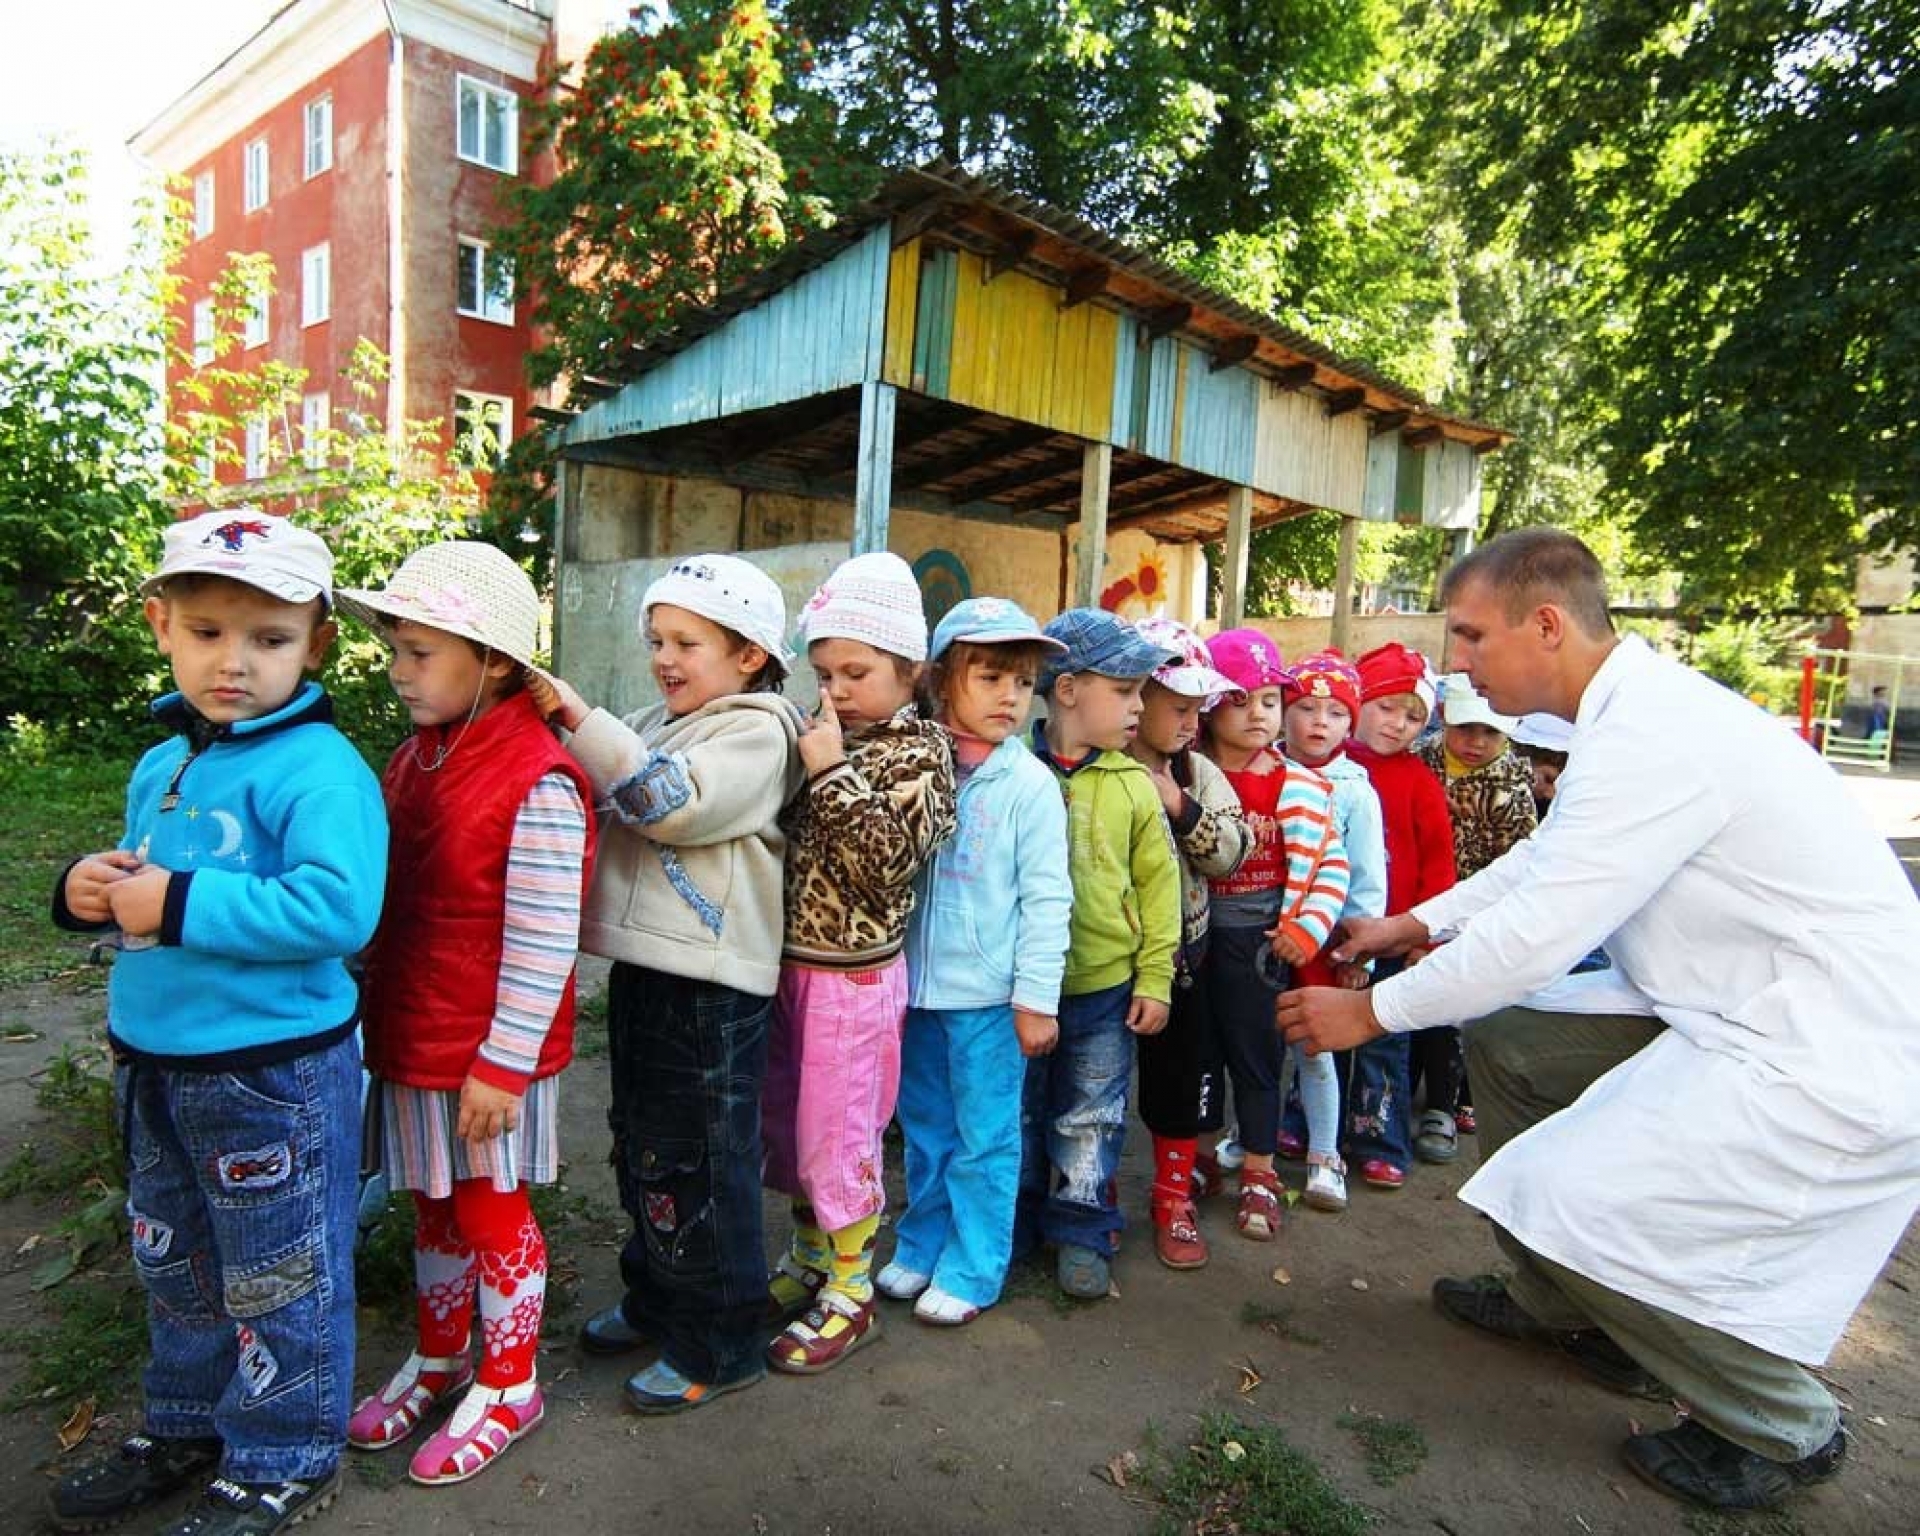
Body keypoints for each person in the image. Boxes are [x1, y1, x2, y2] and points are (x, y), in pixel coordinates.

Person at [1278, 527, 1920, 1512]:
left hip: (1832, 1050)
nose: (1456, 661)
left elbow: (1540, 933)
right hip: (1738, 1017)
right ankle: (1571, 1306)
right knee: (1514, 1042)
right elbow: (1545, 867)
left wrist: (1370, 1013)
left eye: (1469, 634)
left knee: (1573, 1196)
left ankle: (1782, 1425)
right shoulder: (1627, 721)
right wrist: (1413, 922)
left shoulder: (1654, 736)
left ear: (1545, 624)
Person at [49, 510, 387, 1536]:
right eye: (206, 632)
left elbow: (341, 908)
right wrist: (89, 888)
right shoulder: (166, 763)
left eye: (269, 638)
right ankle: (191, 1417)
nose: (233, 663)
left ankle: (285, 1452)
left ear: (317, 643)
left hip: (271, 1076)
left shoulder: (320, 769)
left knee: (281, 1270)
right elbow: (141, 873)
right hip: (156, 1065)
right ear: (161, 625)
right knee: (173, 1255)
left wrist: (182, 903)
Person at [335, 542, 595, 1484]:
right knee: (432, 1206)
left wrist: (504, 1063)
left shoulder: (538, 780)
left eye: (419, 653)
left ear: (491, 661)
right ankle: (442, 1356)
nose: (399, 672)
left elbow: (542, 941)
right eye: (395, 651)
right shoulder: (415, 759)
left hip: (486, 1054)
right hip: (413, 1034)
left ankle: (512, 1378)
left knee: (490, 1209)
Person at [532, 555, 803, 1413]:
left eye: (687, 641)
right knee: (641, 1141)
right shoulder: (662, 716)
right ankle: (658, 1297)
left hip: (712, 988)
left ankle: (722, 1339)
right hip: (650, 968)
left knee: (702, 1160)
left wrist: (575, 714)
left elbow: (663, 801)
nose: (664, 656)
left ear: (751, 654)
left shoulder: (760, 732)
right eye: (657, 639)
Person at [760, 554, 956, 1372]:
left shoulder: (923, 755)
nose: (835, 688)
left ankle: (852, 1288)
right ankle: (811, 1254)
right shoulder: (826, 732)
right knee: (792, 1128)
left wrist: (828, 768)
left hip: (856, 981)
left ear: (910, 671)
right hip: (791, 971)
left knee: (839, 1136)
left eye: (857, 671)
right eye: (823, 671)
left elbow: (887, 860)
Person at [880, 598, 1073, 1324]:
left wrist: (1035, 999)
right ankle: (922, 1244)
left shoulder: (1029, 786)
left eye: (1022, 683)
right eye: (991, 677)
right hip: (915, 993)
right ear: (940, 678)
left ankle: (974, 1266)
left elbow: (1048, 900)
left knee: (986, 1139)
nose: (1010, 697)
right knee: (926, 1131)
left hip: (990, 1000)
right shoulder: (913, 761)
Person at [1018, 608, 1181, 1299]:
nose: (1139, 707)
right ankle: (1014, 1223)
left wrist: (1156, 976)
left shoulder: (1133, 784)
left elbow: (1159, 885)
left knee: (1091, 1112)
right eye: (1125, 690)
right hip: (1018, 988)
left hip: (1103, 987)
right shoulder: (1010, 771)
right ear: (1068, 690)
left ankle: (1082, 1227)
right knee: (1016, 1111)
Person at [1192, 630, 1350, 1242]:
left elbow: (1332, 866)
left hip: (1262, 943)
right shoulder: (1191, 776)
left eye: (1269, 700)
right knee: (1200, 1052)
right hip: (1199, 935)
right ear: (1210, 708)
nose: (1258, 714)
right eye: (1240, 701)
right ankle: (1201, 1157)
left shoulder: (1300, 787)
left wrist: (1306, 932)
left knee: (1259, 1056)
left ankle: (1259, 1167)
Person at [1125, 618, 1250, 1268]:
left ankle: (1172, 1197)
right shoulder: (1100, 767)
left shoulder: (1197, 772)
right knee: (1089, 1090)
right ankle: (1081, 1200)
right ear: (1133, 695)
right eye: (1178, 706)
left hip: (1184, 962)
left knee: (1181, 1084)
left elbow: (1233, 851)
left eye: (1198, 708)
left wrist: (1180, 806)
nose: (1190, 721)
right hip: (1103, 964)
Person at [1273, 649, 1385, 1213]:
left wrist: (1358, 951)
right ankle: (1251, 1142)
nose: (1321, 722)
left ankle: (1323, 1155)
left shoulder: (1355, 790)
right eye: (1308, 708)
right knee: (1257, 1043)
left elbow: (1366, 877)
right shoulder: (1265, 769)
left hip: (1324, 941)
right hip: (1267, 932)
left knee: (1315, 1047)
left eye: (1337, 712)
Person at [1340, 643, 1455, 1188]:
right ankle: (1305, 1121)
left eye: (1414, 717)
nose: (1399, 725)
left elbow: (1438, 866)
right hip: (1331, 933)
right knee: (1317, 1032)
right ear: (1359, 698)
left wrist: (1423, 938)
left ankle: (1381, 1140)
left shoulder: (1420, 783)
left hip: (1391, 938)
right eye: (1387, 706)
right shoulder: (1327, 769)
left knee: (1385, 1042)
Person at [1412, 673, 1537, 1150]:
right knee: (1416, 1002)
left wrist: (1483, 922)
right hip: (1420, 907)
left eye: (1490, 731)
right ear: (1445, 719)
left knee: (1460, 1008)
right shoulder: (1420, 765)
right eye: (1466, 728)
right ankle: (1405, 1094)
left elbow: (1518, 868)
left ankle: (1448, 1101)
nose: (1476, 742)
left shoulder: (1513, 791)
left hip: (1478, 916)